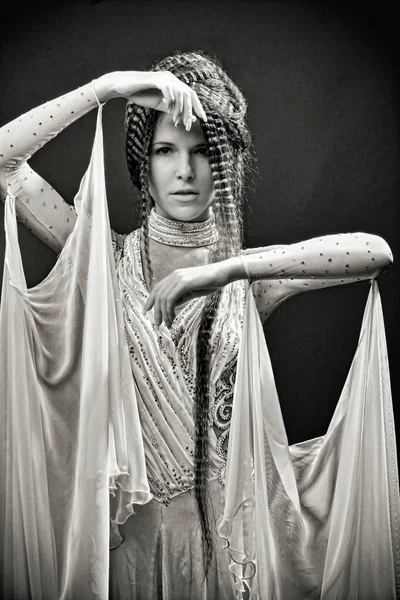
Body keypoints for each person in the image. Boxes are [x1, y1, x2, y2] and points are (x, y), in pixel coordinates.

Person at [0, 51, 396, 600]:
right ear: (144, 162)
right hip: (125, 552)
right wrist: (108, 88)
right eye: (166, 150)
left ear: (226, 164)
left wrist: (231, 268)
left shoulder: (249, 280)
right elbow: (2, 160)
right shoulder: (103, 263)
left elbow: (375, 254)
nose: (184, 172)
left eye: (203, 152)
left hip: (227, 550)